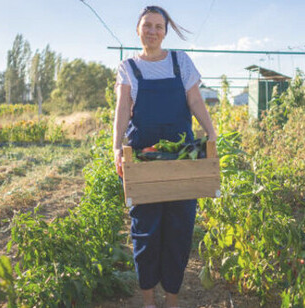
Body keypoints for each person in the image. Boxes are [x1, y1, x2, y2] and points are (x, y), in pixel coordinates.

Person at [113, 5, 217, 308]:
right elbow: (121, 110)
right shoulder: (128, 67)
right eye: (147, 25)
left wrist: (211, 133)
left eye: (159, 26)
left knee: (179, 230)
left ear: (166, 32)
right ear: (138, 30)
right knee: (144, 231)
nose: (153, 31)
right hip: (144, 159)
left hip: (181, 157)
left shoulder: (180, 62)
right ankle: (148, 301)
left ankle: (171, 299)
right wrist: (117, 147)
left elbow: (195, 99)